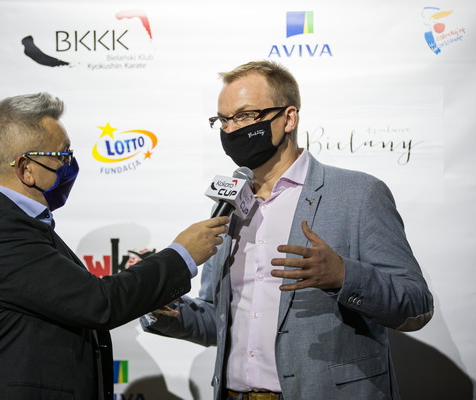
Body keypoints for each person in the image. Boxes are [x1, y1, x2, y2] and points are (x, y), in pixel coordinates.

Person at [140, 61, 434, 400]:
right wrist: (165, 307)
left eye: (245, 116)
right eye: (223, 120)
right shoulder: (228, 206)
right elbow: (216, 321)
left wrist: (343, 275)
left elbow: (416, 305)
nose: (231, 129)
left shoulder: (358, 194)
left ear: (288, 118)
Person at [0, 92, 229, 400]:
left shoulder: (7, 220)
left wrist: (149, 295)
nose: (70, 164)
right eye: (62, 155)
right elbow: (98, 303)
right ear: (26, 169)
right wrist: (182, 255)